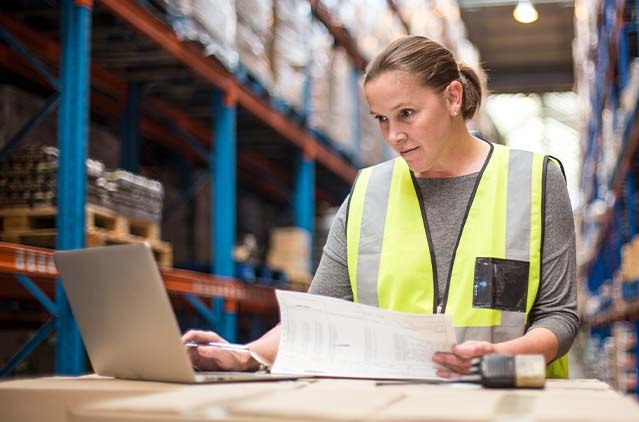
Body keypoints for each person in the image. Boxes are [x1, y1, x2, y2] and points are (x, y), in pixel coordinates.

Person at [182, 35, 579, 379]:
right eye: (381, 120)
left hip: (510, 404)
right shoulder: (370, 190)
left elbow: (559, 317)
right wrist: (246, 354)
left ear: (453, 98)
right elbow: (320, 314)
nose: (394, 135)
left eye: (406, 114)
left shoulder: (535, 180)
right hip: (394, 407)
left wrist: (499, 359)